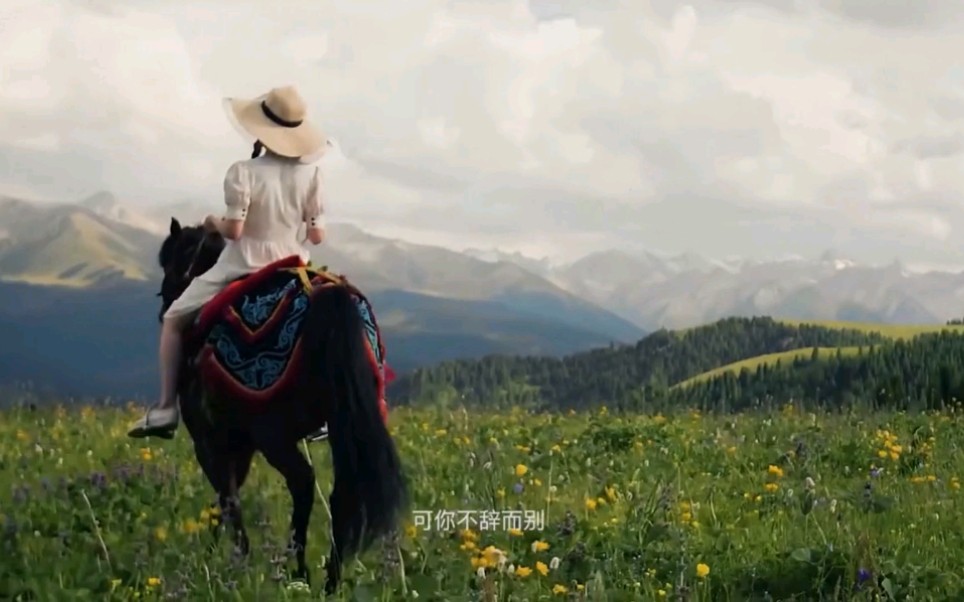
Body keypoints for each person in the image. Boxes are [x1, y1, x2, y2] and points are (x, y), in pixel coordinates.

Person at [128, 85, 329, 439]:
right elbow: (317, 237)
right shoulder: (312, 175)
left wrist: (211, 222)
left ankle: (165, 409)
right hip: (294, 268)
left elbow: (234, 231)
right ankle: (323, 413)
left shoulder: (243, 171)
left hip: (244, 265)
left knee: (174, 319)